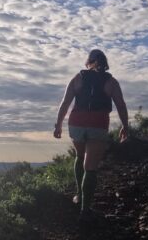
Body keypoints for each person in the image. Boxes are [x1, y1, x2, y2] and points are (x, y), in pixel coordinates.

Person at [53, 49, 130, 219]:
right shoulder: (111, 82)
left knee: (80, 157)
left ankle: (79, 195)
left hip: (77, 122)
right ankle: (85, 210)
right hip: (98, 123)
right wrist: (125, 126)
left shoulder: (78, 78)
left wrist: (58, 125)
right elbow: (121, 105)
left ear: (88, 61)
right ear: (105, 63)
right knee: (91, 167)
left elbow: (65, 103)